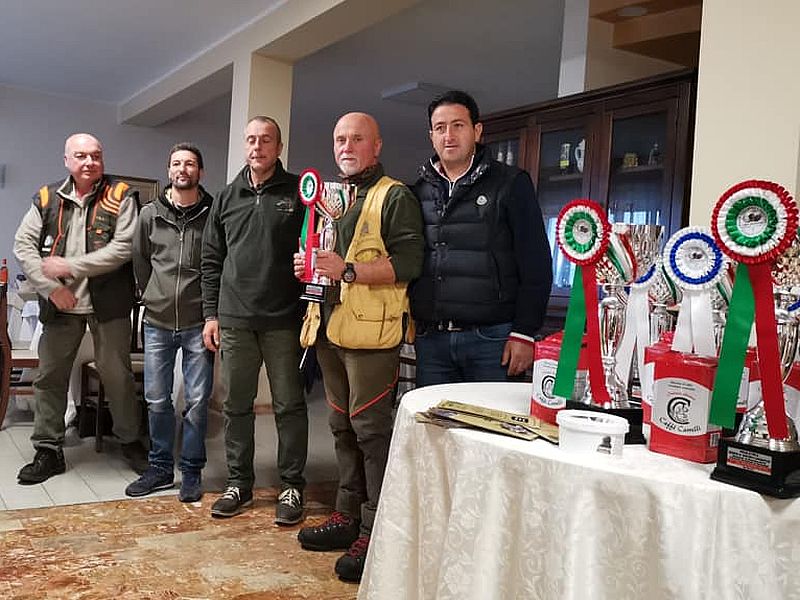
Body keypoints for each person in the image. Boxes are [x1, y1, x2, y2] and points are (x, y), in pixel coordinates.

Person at [293, 112, 424, 582]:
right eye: (339, 139)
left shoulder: (395, 196)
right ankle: (346, 515)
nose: (346, 147)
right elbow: (326, 259)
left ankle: (376, 529)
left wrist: (347, 270)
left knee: (371, 430)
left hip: (372, 333)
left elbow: (409, 262)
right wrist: (309, 268)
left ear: (377, 145)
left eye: (356, 139)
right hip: (328, 327)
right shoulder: (331, 199)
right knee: (340, 426)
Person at [13, 133, 148, 484]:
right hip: (61, 305)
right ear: (66, 160)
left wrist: (71, 266)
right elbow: (23, 246)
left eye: (96, 155)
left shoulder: (121, 194)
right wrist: (51, 289)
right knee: (49, 377)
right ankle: (48, 449)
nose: (90, 162)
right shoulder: (46, 198)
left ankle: (130, 440)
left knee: (117, 376)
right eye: (81, 155)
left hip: (109, 303)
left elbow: (123, 248)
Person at [202, 116, 308, 524]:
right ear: (244, 146)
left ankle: (292, 485)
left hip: (284, 319)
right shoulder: (226, 198)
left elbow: (315, 248)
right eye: (251, 140)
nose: (257, 146)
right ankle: (239, 483)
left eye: (265, 140)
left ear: (278, 147)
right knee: (236, 406)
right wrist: (211, 315)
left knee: (289, 405)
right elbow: (211, 260)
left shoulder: (299, 193)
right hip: (235, 320)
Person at [410, 90, 552, 385]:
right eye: (440, 128)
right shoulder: (417, 191)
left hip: (492, 340)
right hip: (432, 341)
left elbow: (536, 263)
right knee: (434, 416)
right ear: (431, 137)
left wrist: (525, 332)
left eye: (458, 125)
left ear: (476, 131)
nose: (449, 136)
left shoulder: (511, 183)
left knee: (490, 416)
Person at [126, 143, 214, 503]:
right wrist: (153, 294)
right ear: (168, 170)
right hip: (158, 321)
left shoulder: (212, 214)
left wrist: (212, 313)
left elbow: (216, 265)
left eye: (190, 164)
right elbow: (140, 260)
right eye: (177, 163)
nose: (183, 169)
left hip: (198, 322)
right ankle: (160, 468)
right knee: (156, 399)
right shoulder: (149, 214)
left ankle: (191, 471)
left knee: (197, 401)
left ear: (200, 172)